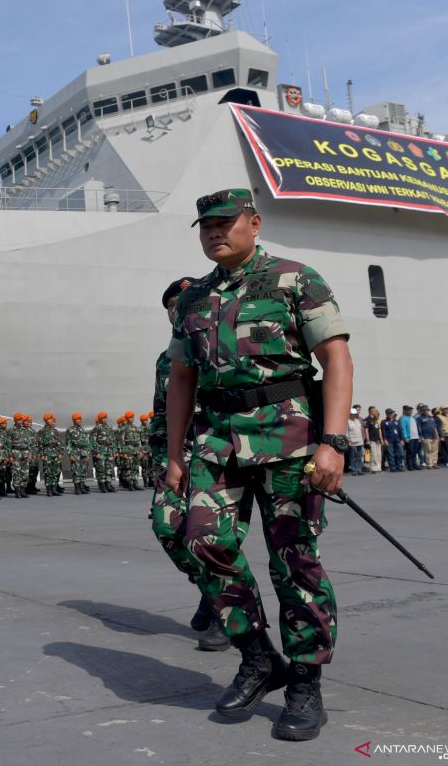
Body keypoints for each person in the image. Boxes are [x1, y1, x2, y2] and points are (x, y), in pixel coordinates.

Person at [165, 188, 351, 741]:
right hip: (217, 440)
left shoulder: (296, 279)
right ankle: (256, 655)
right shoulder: (194, 299)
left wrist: (334, 441)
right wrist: (175, 455)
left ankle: (304, 681)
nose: (214, 233)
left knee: (294, 562)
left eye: (226, 222)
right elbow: (181, 379)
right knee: (199, 540)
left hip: (289, 439)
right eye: (205, 226)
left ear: (254, 222)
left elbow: (335, 355)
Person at [149, 274, 229, 652]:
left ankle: (224, 612)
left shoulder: (224, 346)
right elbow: (161, 415)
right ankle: (207, 588)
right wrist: (162, 460)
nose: (175, 311)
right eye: (171, 307)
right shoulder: (166, 361)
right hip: (177, 462)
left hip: (218, 458)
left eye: (182, 305)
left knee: (211, 536)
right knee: (167, 528)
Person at [66, 413, 92, 494]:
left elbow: (87, 443)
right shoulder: (70, 429)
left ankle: (82, 486)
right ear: (74, 420)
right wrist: (70, 454)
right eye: (78, 419)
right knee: (76, 470)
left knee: (83, 469)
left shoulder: (82, 430)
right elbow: (68, 443)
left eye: (80, 419)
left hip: (84, 452)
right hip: (75, 452)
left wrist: (88, 454)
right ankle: (77, 488)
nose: (80, 420)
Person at [415, 404, 439, 469]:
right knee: (428, 450)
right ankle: (430, 464)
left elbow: (434, 427)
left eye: (427, 410)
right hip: (426, 436)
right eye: (424, 410)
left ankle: (434, 463)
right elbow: (418, 428)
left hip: (434, 436)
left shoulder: (431, 417)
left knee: (435, 450)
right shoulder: (419, 418)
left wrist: (437, 435)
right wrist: (421, 436)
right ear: (421, 411)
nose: (426, 411)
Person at [363, 407, 383, 474]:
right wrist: (367, 440)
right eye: (375, 411)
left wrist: (381, 439)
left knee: (378, 454)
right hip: (371, 440)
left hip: (377, 440)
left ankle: (378, 467)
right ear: (371, 411)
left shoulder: (376, 420)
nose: (376, 412)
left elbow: (378, 430)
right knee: (373, 454)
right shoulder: (367, 419)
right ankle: (373, 468)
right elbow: (366, 430)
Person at [345, 407, 365, 476]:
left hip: (360, 441)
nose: (354, 415)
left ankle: (359, 469)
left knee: (359, 456)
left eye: (355, 414)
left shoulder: (357, 421)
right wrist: (348, 441)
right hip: (352, 441)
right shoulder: (347, 421)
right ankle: (353, 470)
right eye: (353, 414)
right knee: (353, 457)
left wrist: (363, 439)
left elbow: (361, 431)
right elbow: (346, 432)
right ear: (350, 414)